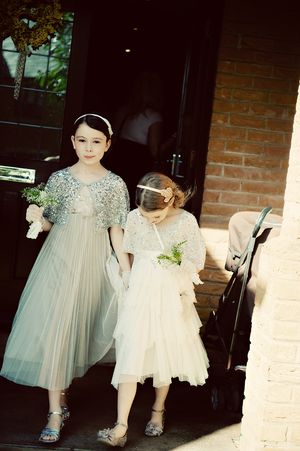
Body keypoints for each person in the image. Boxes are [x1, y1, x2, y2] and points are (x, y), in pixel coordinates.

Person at [0, 113, 131, 444]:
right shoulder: (59, 179)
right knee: (57, 326)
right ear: (73, 142)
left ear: (108, 145)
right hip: (59, 260)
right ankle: (55, 411)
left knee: (78, 328)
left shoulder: (115, 184)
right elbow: (48, 223)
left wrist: (125, 268)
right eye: (82, 140)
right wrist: (37, 218)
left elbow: (117, 231)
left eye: (96, 141)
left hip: (93, 263)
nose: (88, 147)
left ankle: (63, 398)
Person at [97, 171, 209, 447]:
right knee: (131, 352)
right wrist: (127, 276)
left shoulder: (186, 221)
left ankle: (157, 411)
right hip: (141, 290)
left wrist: (177, 264)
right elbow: (131, 252)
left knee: (163, 352)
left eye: (155, 217)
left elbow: (196, 261)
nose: (150, 220)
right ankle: (121, 424)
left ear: (170, 201)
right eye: (146, 216)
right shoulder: (135, 218)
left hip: (170, 292)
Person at [108, 71, 164, 207]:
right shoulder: (154, 117)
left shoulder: (124, 111)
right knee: (133, 200)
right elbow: (154, 150)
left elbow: (112, 137)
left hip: (118, 157)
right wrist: (174, 137)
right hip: (138, 163)